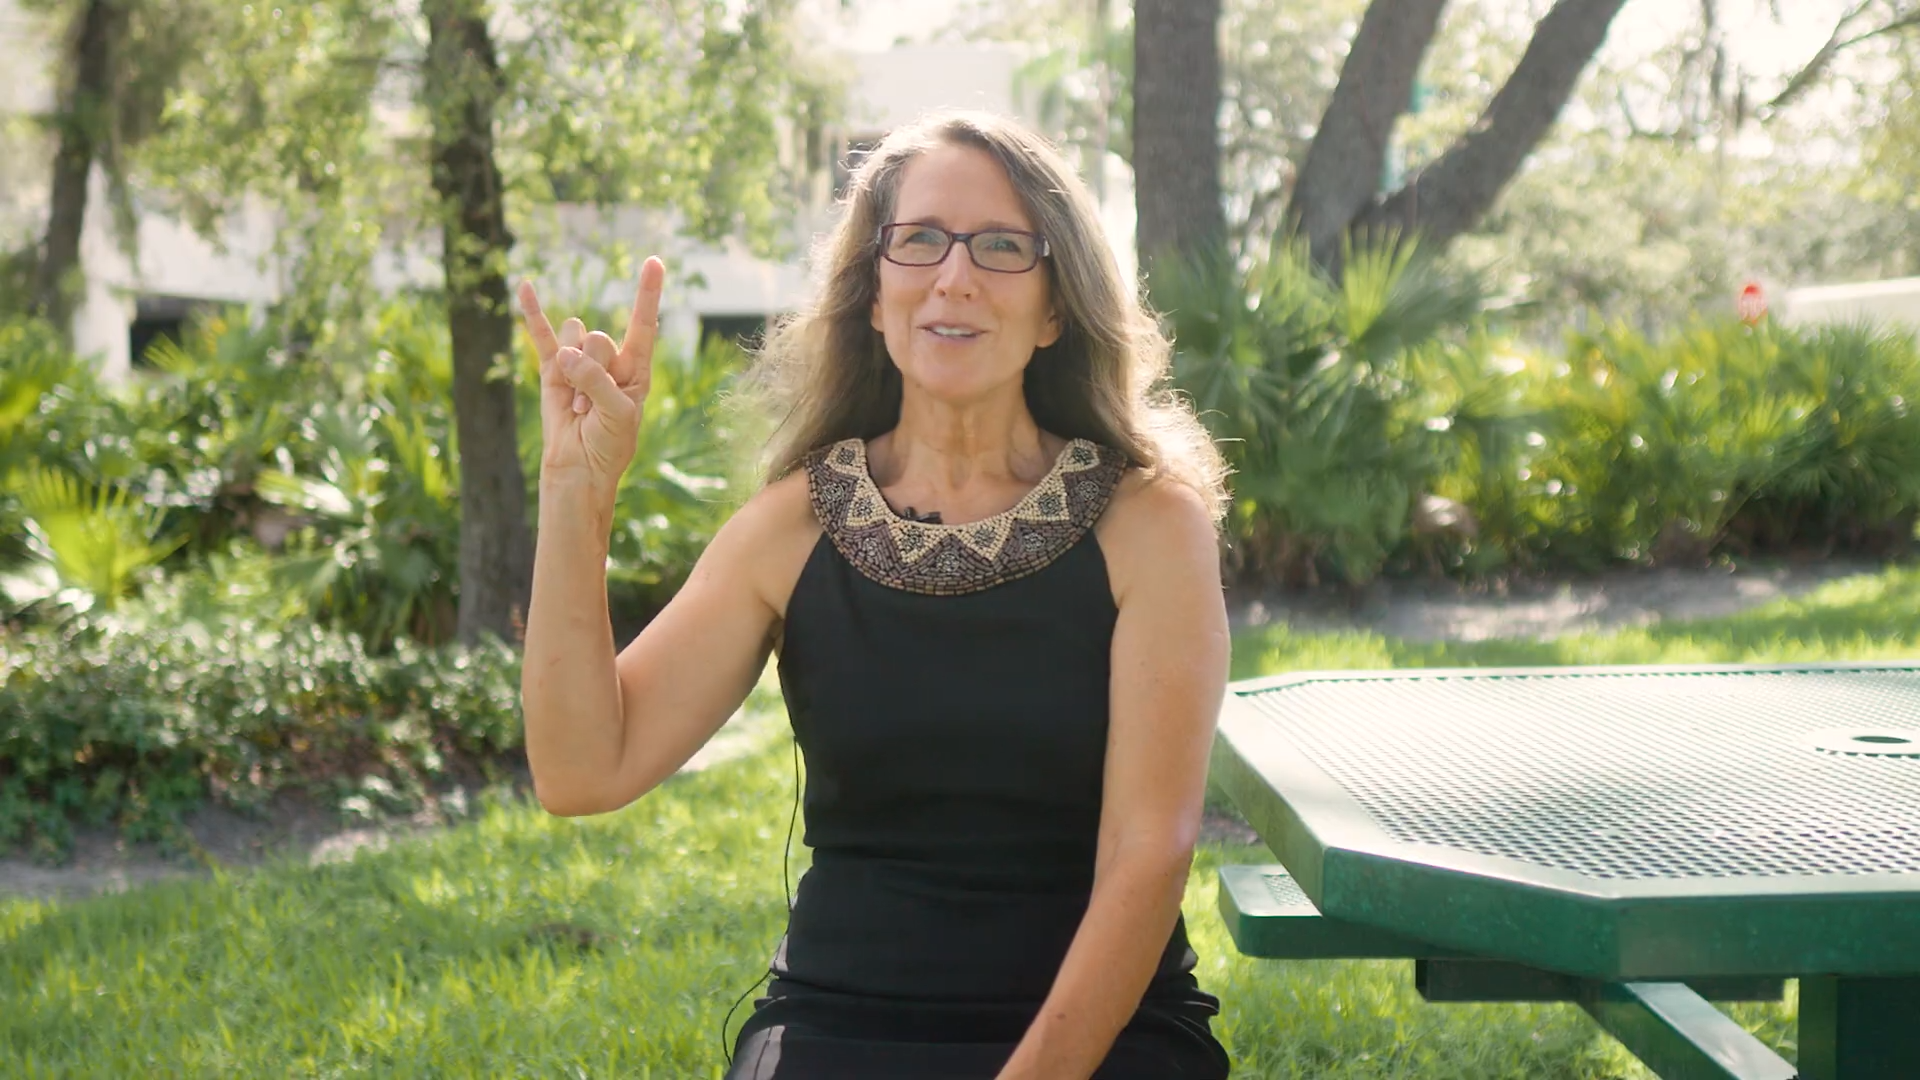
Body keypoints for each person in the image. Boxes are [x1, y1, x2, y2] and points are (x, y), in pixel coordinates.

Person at [516, 110, 1233, 1080]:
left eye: (1002, 247)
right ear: (875, 293)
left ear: (1057, 308)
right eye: (921, 240)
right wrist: (575, 493)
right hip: (837, 1024)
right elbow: (580, 769)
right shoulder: (793, 525)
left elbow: (1153, 849)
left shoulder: (1150, 524)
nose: (955, 274)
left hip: (1101, 1034)